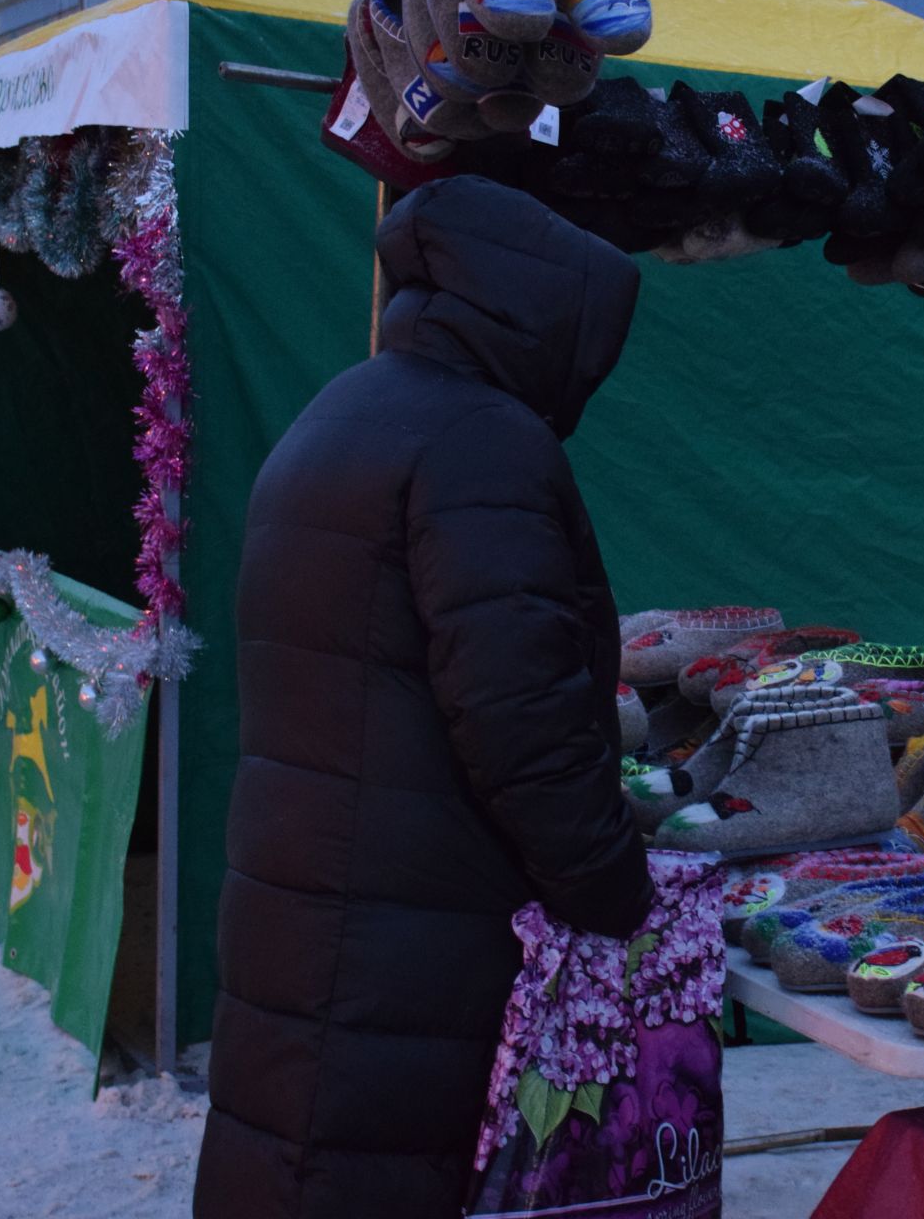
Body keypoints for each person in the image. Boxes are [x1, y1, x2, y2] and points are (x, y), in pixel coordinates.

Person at [194, 176, 655, 1218]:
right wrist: (615, 886)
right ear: (541, 316)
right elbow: (519, 712)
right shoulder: (478, 440)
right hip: (402, 942)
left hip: (310, 900)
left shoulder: (344, 409)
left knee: (286, 1168)